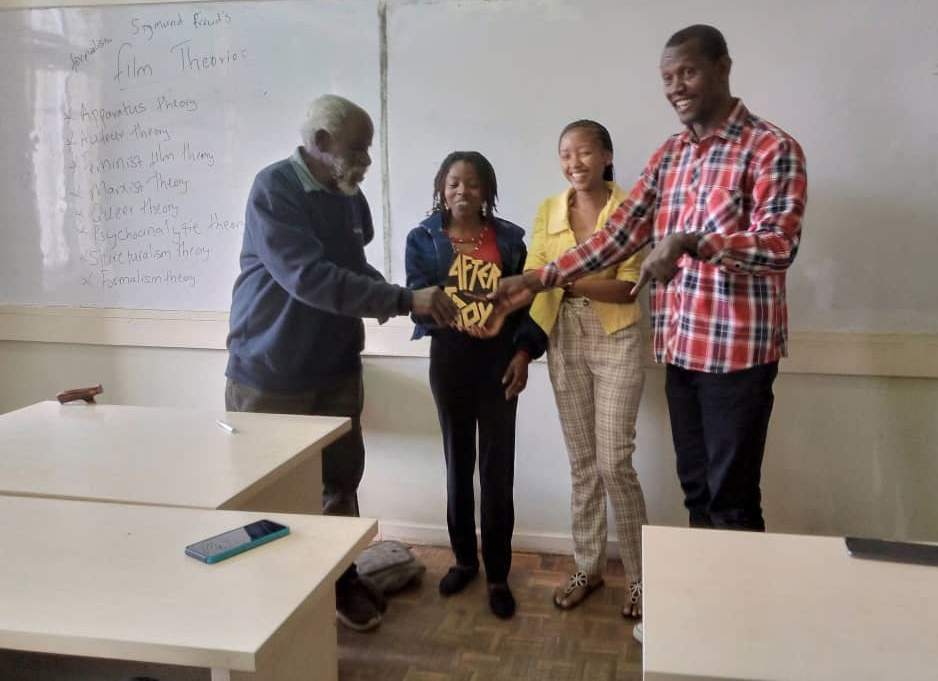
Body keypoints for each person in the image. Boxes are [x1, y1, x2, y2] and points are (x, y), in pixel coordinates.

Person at [492, 23, 807, 537]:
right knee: (697, 493)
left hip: (737, 359)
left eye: (688, 71)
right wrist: (537, 278)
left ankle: (738, 615)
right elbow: (615, 237)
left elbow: (779, 245)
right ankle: (699, 612)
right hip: (681, 350)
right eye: (667, 77)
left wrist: (691, 243)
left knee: (733, 502)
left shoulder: (772, 148)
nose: (676, 86)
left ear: (723, 68)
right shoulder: (671, 155)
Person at [224, 94, 456, 632]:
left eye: (369, 147)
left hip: (335, 368)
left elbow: (352, 267)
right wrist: (402, 301)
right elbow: (308, 278)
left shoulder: (347, 195)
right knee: (267, 494)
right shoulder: (274, 188)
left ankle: (340, 579)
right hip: (270, 370)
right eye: (359, 148)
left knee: (340, 482)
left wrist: (411, 296)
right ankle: (270, 604)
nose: (368, 159)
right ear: (321, 143)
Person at [405, 151, 546, 620]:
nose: (462, 192)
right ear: (440, 190)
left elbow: (530, 306)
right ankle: (465, 560)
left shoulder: (510, 240)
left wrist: (523, 353)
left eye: (472, 184)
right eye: (452, 184)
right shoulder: (422, 239)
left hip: (499, 362)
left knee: (496, 469)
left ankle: (499, 574)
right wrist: (446, 306)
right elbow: (416, 298)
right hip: (450, 360)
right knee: (457, 463)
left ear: (487, 190)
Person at [526, 119, 649, 619]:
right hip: (564, 337)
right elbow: (537, 272)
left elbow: (630, 287)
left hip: (616, 334)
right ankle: (589, 565)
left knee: (614, 461)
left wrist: (567, 279)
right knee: (582, 462)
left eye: (583, 152)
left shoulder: (631, 210)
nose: (574, 163)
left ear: (607, 156)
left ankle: (643, 578)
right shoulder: (548, 210)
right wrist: (571, 280)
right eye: (565, 154)